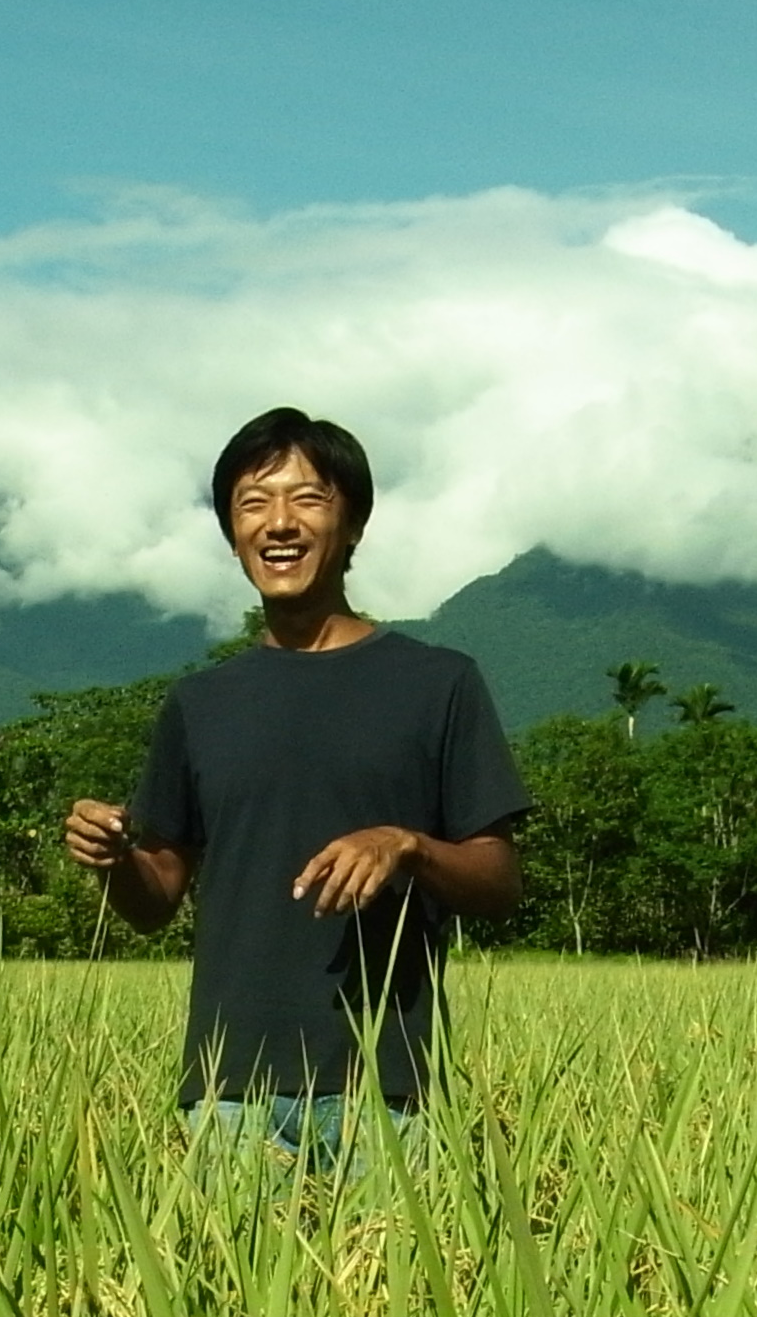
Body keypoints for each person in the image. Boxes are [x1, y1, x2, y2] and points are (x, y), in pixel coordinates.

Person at [62, 406, 527, 1159]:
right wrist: (115, 860)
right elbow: (156, 899)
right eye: (253, 503)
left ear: (353, 524)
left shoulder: (438, 684)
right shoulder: (201, 704)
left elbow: (500, 882)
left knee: (401, 1280)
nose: (279, 522)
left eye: (308, 498)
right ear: (233, 534)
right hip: (229, 1098)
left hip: (389, 1096)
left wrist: (405, 845)